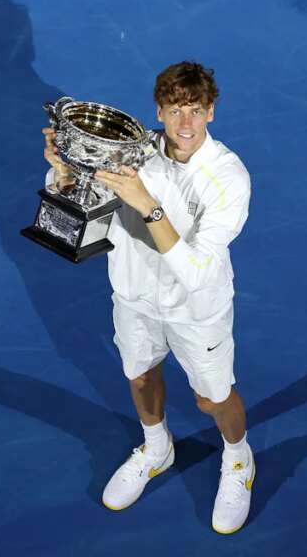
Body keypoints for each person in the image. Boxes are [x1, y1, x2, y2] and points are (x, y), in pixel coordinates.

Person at [42, 60, 254, 534]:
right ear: (159, 111)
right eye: (176, 110)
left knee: (211, 399)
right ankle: (157, 449)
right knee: (139, 377)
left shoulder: (229, 177)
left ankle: (239, 460)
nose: (185, 124)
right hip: (133, 296)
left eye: (196, 111)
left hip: (196, 310)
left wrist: (148, 205)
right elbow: (85, 216)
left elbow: (197, 272)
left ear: (212, 113)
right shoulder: (130, 155)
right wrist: (63, 174)